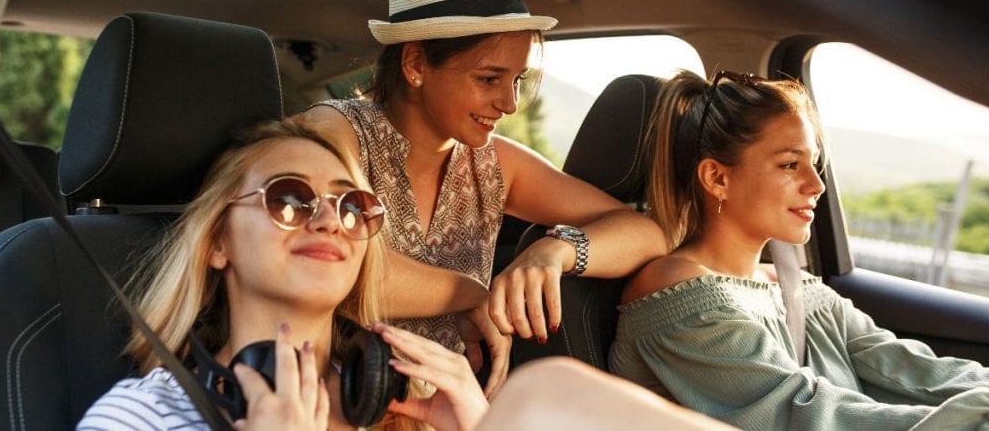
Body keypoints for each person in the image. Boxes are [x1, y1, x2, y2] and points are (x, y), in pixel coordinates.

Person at [76, 115, 728, 431]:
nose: (329, 219)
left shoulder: (396, 399)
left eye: (353, 203)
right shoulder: (145, 415)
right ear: (217, 240)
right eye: (290, 198)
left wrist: (477, 426)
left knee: (540, 395)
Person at [301, 0, 667, 386]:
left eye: (517, 80)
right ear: (415, 64)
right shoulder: (334, 134)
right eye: (490, 78)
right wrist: (471, 294)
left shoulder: (493, 164)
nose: (510, 104)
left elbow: (645, 234)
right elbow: (334, 267)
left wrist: (553, 251)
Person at [608, 70, 989, 430]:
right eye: (791, 164)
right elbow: (803, 413)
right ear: (717, 177)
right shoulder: (680, 295)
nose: (816, 185)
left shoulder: (797, 289)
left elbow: (910, 368)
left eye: (815, 163)